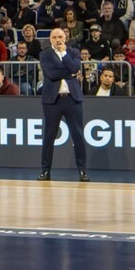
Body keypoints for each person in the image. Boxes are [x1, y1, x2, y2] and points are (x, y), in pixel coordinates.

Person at [38, 29, 90, 182]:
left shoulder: (73, 52)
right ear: (50, 39)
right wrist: (69, 73)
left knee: (78, 135)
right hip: (52, 100)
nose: (58, 39)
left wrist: (65, 55)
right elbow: (51, 74)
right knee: (49, 136)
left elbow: (75, 68)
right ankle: (45, 170)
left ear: (66, 38)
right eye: (54, 37)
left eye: (60, 36)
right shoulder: (45, 54)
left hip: (72, 99)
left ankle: (82, 171)